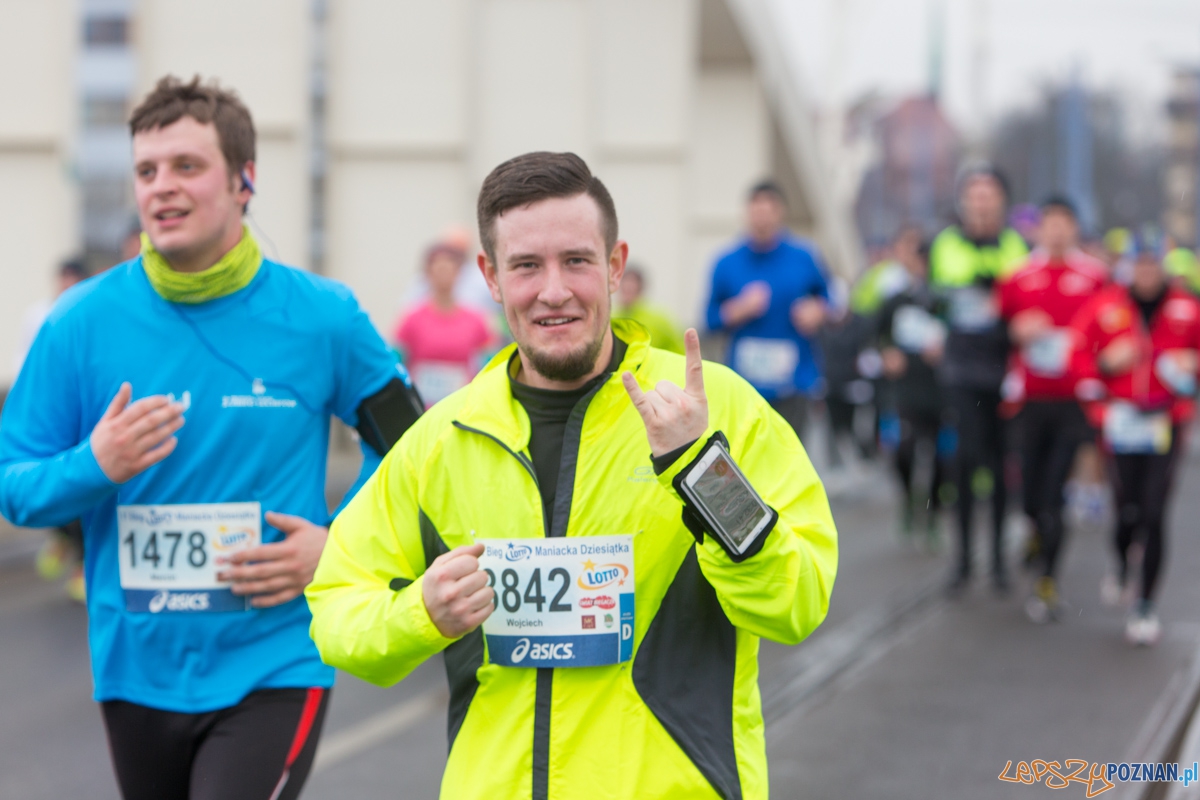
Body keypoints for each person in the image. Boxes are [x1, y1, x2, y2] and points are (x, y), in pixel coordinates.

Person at [306, 151, 838, 800]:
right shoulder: (440, 439)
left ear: (615, 266)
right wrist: (421, 612)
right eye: (526, 265)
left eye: (577, 261)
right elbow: (336, 607)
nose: (553, 291)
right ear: (492, 277)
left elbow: (797, 601)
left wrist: (702, 472)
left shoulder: (718, 410)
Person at [0, 76, 420, 800]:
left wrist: (340, 545)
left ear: (244, 180)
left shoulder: (322, 317)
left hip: (276, 659)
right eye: (147, 170)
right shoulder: (78, 323)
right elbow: (15, 484)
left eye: (187, 166)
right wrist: (92, 465)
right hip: (136, 666)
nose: (162, 187)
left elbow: (413, 443)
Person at [1069, 229, 1200, 646]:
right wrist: (1104, 369)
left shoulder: (1186, 307)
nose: (1146, 271)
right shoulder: (1107, 305)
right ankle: (1123, 562)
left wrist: (1190, 364)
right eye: (1139, 263)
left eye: (1153, 263)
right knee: (1126, 508)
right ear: (1129, 266)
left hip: (1165, 421)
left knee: (1155, 509)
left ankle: (1145, 604)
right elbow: (1078, 354)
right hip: (1121, 421)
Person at [996, 197, 1107, 620]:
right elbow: (996, 331)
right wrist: (1015, 330)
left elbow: (1111, 327)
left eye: (1065, 223)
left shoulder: (1094, 276)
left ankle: (1048, 581)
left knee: (1055, 493)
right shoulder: (1018, 276)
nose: (1057, 232)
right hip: (1028, 401)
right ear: (1039, 229)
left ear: (1075, 228)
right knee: (1028, 493)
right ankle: (1033, 531)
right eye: (1050, 224)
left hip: (1072, 401)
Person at [930, 165, 1028, 593]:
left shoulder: (1015, 244)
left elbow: (1020, 292)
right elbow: (946, 289)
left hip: (1006, 369)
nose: (981, 201)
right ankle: (964, 563)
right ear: (963, 201)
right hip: (962, 370)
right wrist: (983, 288)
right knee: (966, 462)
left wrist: (995, 294)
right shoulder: (947, 243)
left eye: (989, 194)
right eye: (974, 194)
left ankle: (999, 564)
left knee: (1002, 464)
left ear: (1002, 201)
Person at [704, 180, 830, 441]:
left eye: (769, 208)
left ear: (780, 212)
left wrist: (817, 311)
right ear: (747, 212)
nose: (762, 215)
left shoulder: (803, 257)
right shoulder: (726, 262)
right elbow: (709, 319)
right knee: (747, 462)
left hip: (794, 382)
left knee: (791, 460)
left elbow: (831, 301)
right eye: (756, 208)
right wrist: (739, 309)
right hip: (743, 384)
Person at [17, 257, 91, 603]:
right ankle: (62, 539)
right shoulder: (41, 316)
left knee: (85, 486)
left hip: (80, 419)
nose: (66, 286)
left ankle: (81, 562)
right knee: (52, 485)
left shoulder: (90, 316)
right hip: (49, 418)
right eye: (63, 279)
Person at [876, 237, 947, 545]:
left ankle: (932, 514)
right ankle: (908, 500)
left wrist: (948, 351)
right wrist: (886, 351)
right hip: (904, 391)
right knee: (903, 451)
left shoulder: (946, 301)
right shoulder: (896, 300)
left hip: (941, 390)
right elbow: (874, 334)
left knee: (943, 458)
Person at [394, 242, 497, 407]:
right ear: (428, 273)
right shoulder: (411, 318)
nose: (444, 275)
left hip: (462, 407)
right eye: (439, 269)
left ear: (459, 273)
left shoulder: (476, 320)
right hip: (421, 409)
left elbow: (490, 365)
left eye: (449, 269)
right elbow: (397, 362)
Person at [613, 264, 685, 354]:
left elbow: (680, 350)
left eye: (631, 290)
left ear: (640, 290)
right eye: (625, 289)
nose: (627, 295)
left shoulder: (659, 320)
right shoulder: (610, 319)